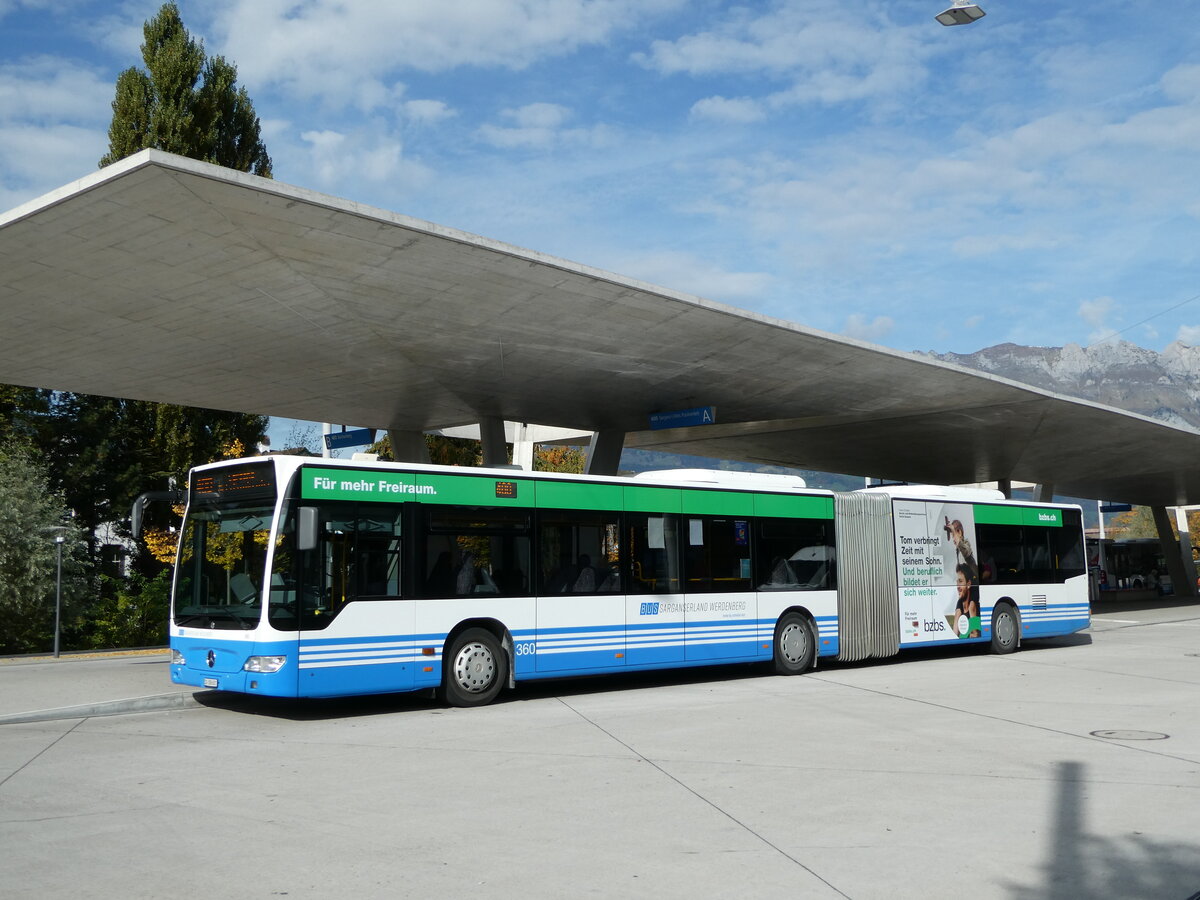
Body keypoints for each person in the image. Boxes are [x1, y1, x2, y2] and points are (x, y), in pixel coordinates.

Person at [953, 563, 981, 638]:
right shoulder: (959, 609)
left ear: (968, 584)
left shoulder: (974, 608)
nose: (958, 586)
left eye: (960, 581)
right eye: (957, 582)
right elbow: (954, 636)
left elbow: (975, 635)